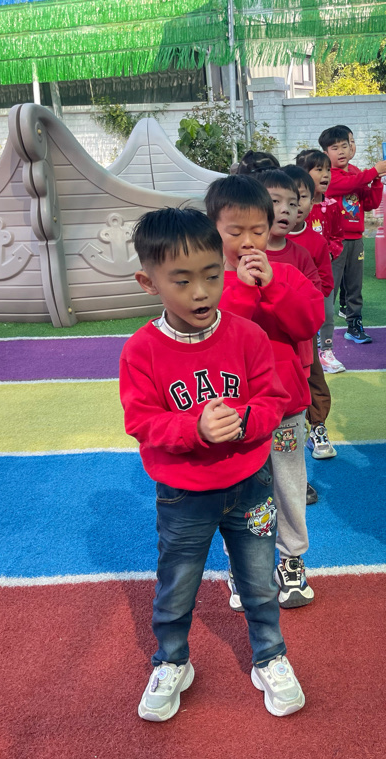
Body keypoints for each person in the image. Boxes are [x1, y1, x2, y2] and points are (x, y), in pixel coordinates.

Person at [119, 207, 305, 721]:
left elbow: (274, 399)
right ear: (148, 282)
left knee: (260, 582)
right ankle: (172, 661)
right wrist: (194, 429)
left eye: (211, 276)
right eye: (182, 281)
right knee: (176, 586)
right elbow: (141, 422)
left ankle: (270, 656)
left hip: (252, 484)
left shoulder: (248, 336)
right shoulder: (141, 350)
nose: (200, 292)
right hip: (183, 496)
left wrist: (244, 422)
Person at [206, 175, 326, 607]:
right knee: (239, 488)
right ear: (213, 230)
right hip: (235, 408)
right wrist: (241, 288)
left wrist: (273, 285)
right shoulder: (209, 283)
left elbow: (308, 324)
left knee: (288, 483)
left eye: (257, 230)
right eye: (234, 231)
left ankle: (291, 559)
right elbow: (221, 337)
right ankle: (243, 565)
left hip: (285, 407)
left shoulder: (287, 273)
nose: (247, 241)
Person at [284, 164, 339, 463]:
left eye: (300, 198)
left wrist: (301, 304)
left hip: (303, 332)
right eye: (279, 200)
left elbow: (325, 284)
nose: (290, 207)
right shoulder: (259, 242)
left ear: (312, 199)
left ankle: (317, 426)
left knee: (314, 378)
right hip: (271, 337)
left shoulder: (315, 242)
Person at [319, 125, 386, 346]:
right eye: (334, 148)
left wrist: (376, 180)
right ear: (325, 153)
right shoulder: (328, 175)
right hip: (334, 241)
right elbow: (347, 184)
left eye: (344, 146)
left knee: (355, 287)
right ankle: (321, 330)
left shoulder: (357, 172)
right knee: (330, 287)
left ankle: (354, 326)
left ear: (351, 148)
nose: (341, 151)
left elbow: (371, 202)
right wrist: (372, 172)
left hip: (356, 240)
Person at [295, 149, 346, 373]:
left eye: (328, 169)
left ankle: (326, 350)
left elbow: (338, 236)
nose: (326, 174)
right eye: (319, 169)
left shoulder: (332, 205)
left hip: (322, 269)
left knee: (326, 310)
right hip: (297, 274)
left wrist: (329, 252)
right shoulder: (292, 211)